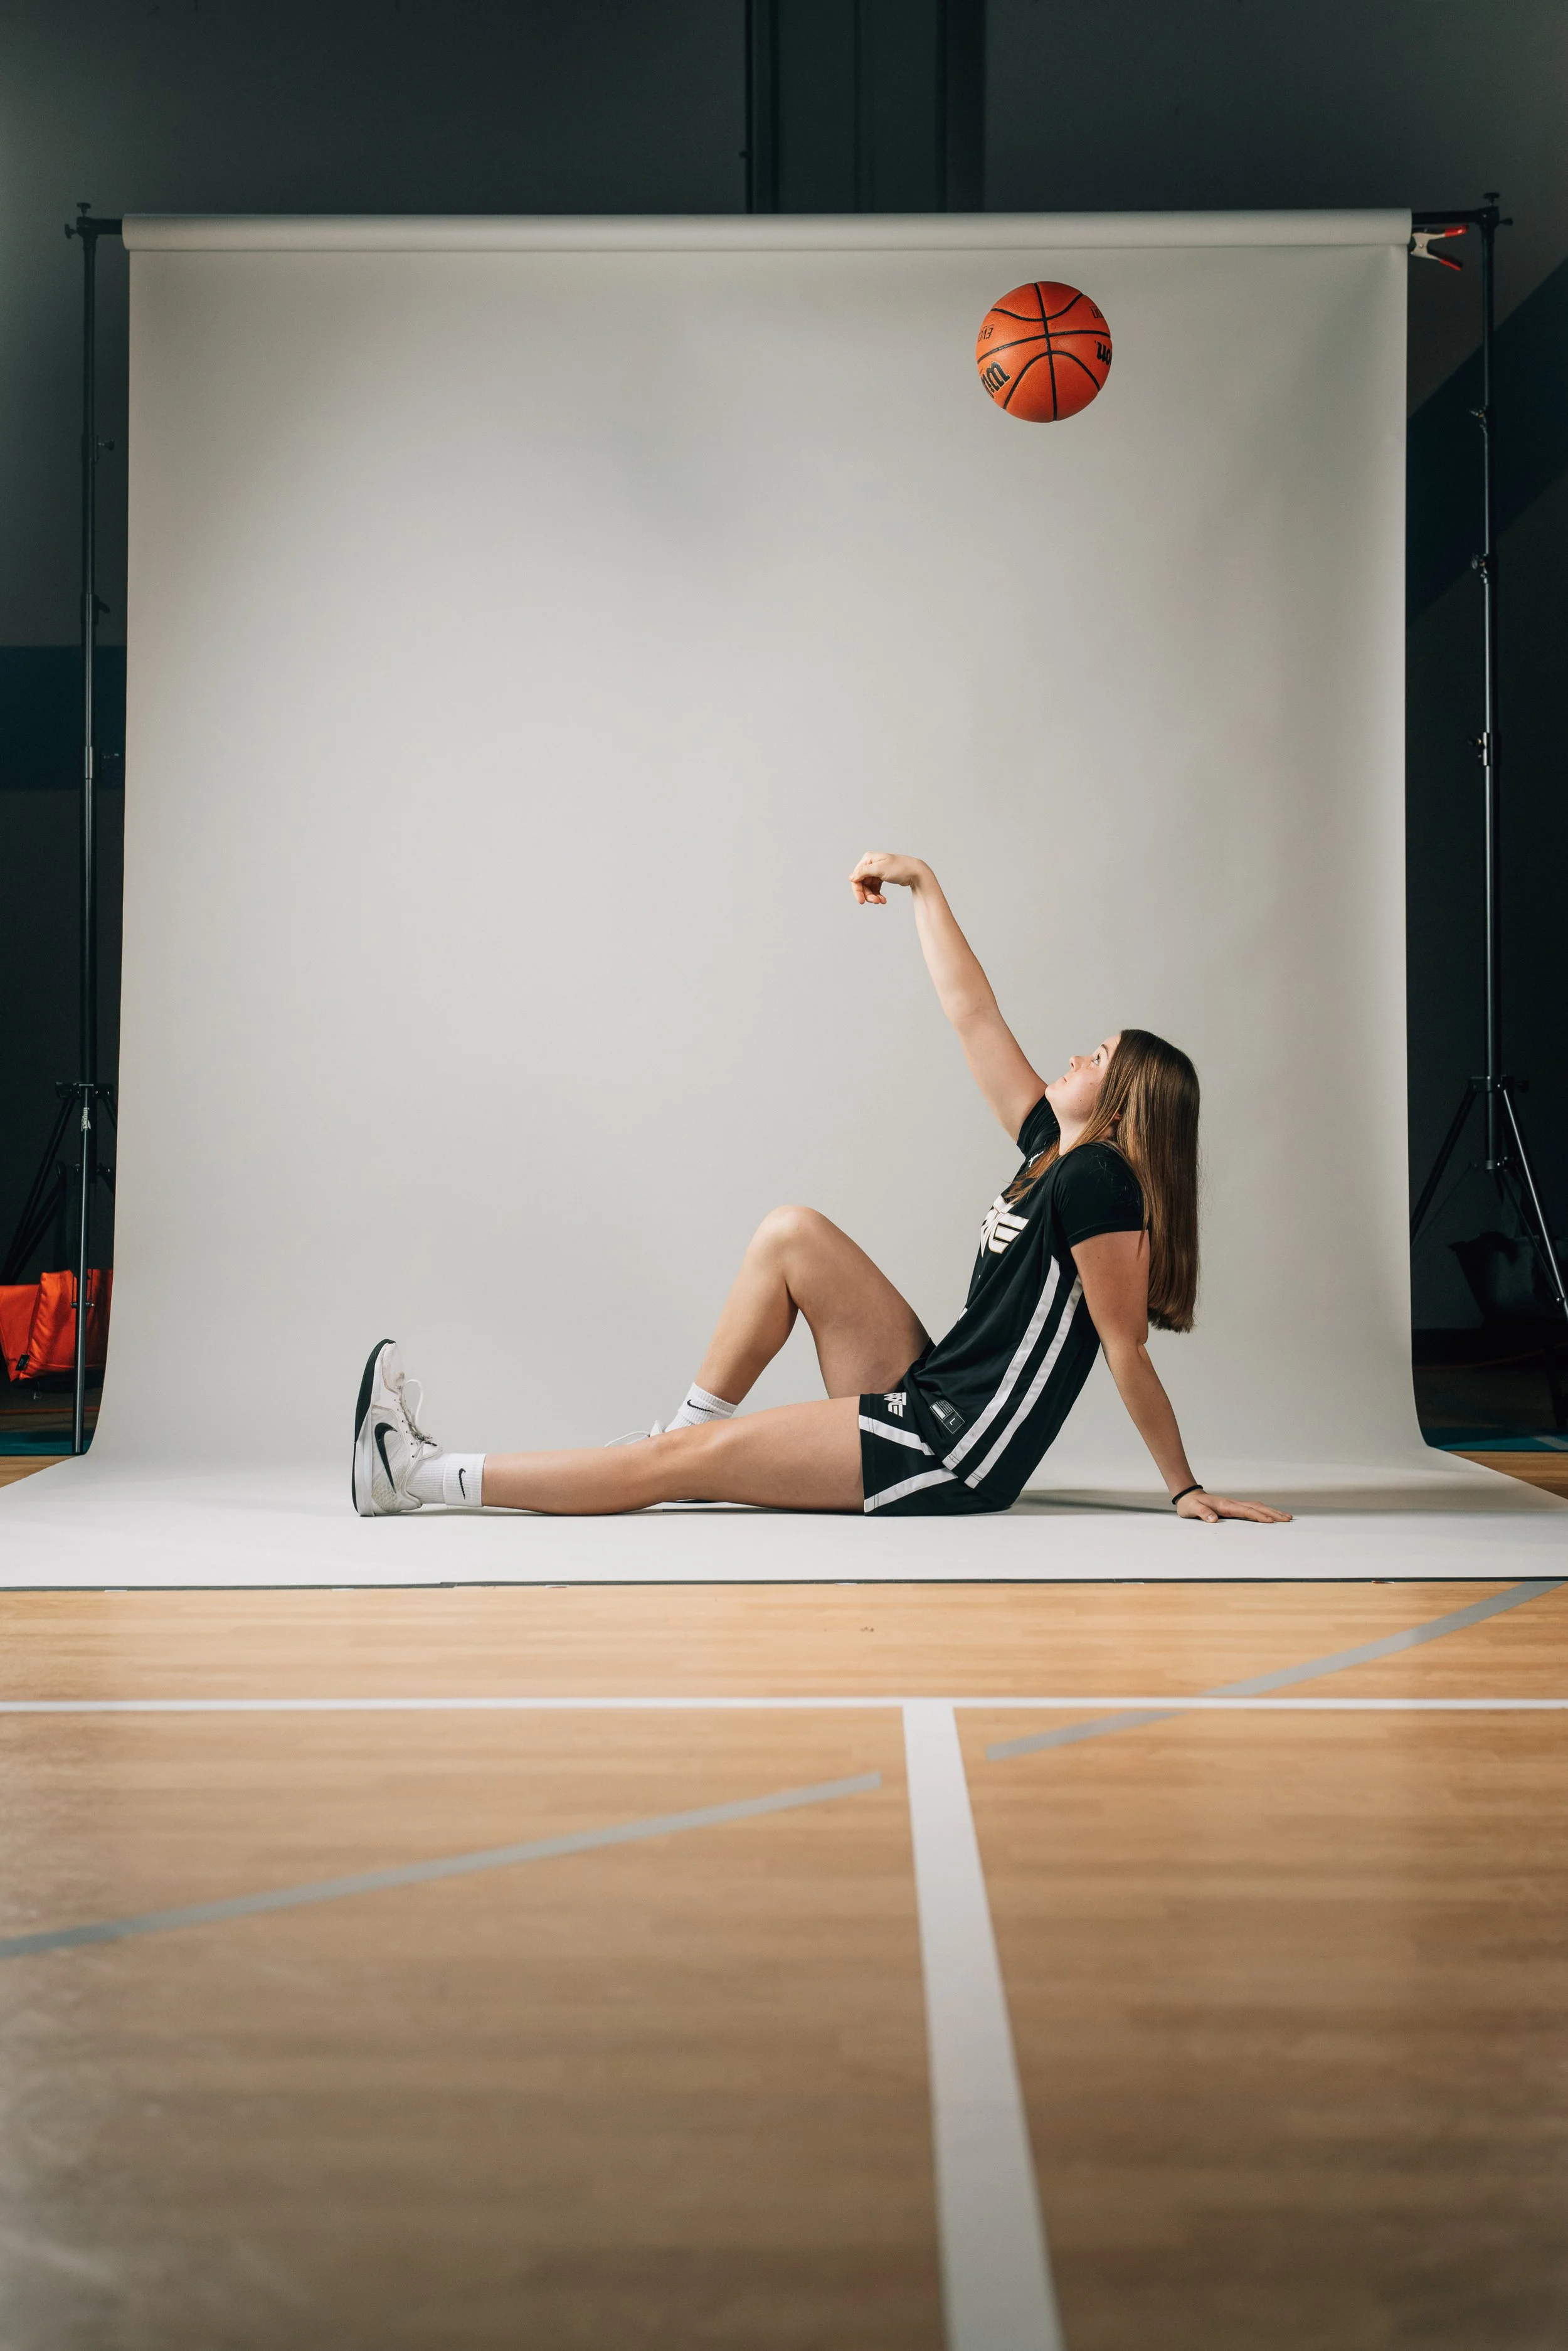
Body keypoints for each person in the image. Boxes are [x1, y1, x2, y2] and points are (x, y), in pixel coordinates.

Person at [352, 854, 1290, 1528]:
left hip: (954, 1452)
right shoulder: (1055, 1146)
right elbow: (973, 1017)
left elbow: (1124, 1348)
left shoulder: (1102, 1182)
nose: (1081, 1052)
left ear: (1126, 1106)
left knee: (671, 1470)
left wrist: (1182, 1487)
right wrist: (923, 884)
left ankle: (419, 1477)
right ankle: (675, 1442)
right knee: (792, 1233)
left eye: (1102, 1057)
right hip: (929, 1394)